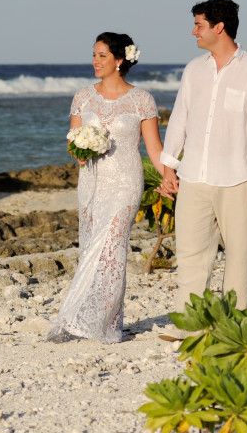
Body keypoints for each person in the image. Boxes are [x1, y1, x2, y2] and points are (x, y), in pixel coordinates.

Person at [159, 0, 247, 311]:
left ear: (219, 28)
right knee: (190, 255)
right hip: (194, 177)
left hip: (239, 179)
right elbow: (179, 119)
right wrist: (169, 167)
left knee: (240, 255)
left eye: (199, 25)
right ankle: (191, 325)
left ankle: (234, 321)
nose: (193, 31)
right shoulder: (193, 70)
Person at [46, 32, 165, 343]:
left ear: (119, 60)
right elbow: (72, 142)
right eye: (94, 55)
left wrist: (169, 177)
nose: (95, 61)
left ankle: (101, 325)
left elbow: (153, 148)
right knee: (90, 250)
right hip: (92, 183)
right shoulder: (82, 97)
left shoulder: (142, 99)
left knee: (111, 250)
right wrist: (83, 150)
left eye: (101, 56)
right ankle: (84, 320)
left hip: (126, 181)